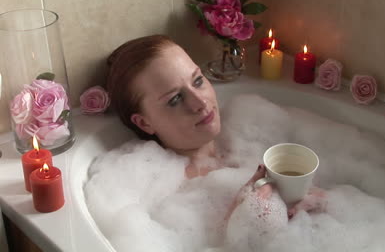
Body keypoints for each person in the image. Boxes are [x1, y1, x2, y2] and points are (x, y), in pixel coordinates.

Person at [106, 35, 325, 228]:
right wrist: (239, 221)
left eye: (198, 81)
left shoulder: (254, 131)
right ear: (145, 124)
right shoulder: (164, 196)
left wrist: (317, 200)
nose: (201, 102)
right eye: (175, 99)